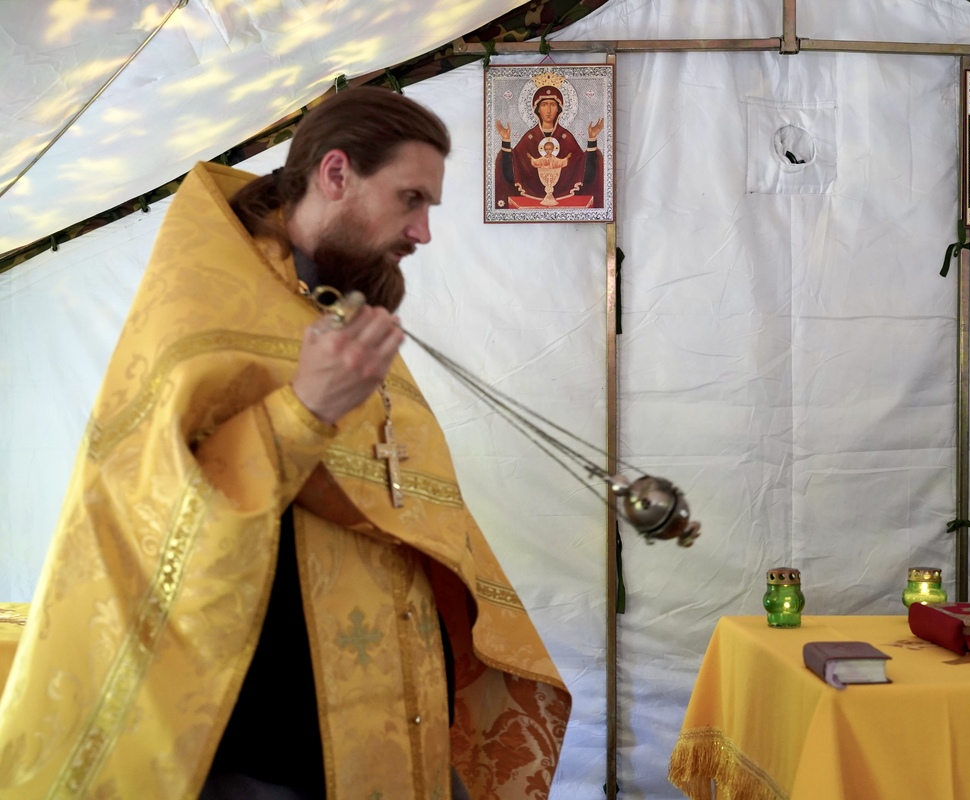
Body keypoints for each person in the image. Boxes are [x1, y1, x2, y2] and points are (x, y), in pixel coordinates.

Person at [0, 87, 570, 800]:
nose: (423, 231)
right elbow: (152, 507)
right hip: (262, 738)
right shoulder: (206, 300)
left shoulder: (340, 306)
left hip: (395, 704)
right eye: (411, 199)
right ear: (336, 174)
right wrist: (302, 412)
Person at [494, 75, 604, 208]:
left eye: (553, 105)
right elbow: (511, 173)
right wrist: (506, 140)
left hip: (566, 198)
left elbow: (586, 173)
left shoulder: (566, 137)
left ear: (559, 109)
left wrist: (592, 139)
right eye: (544, 104)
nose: (548, 110)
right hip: (530, 198)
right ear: (537, 109)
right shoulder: (529, 137)